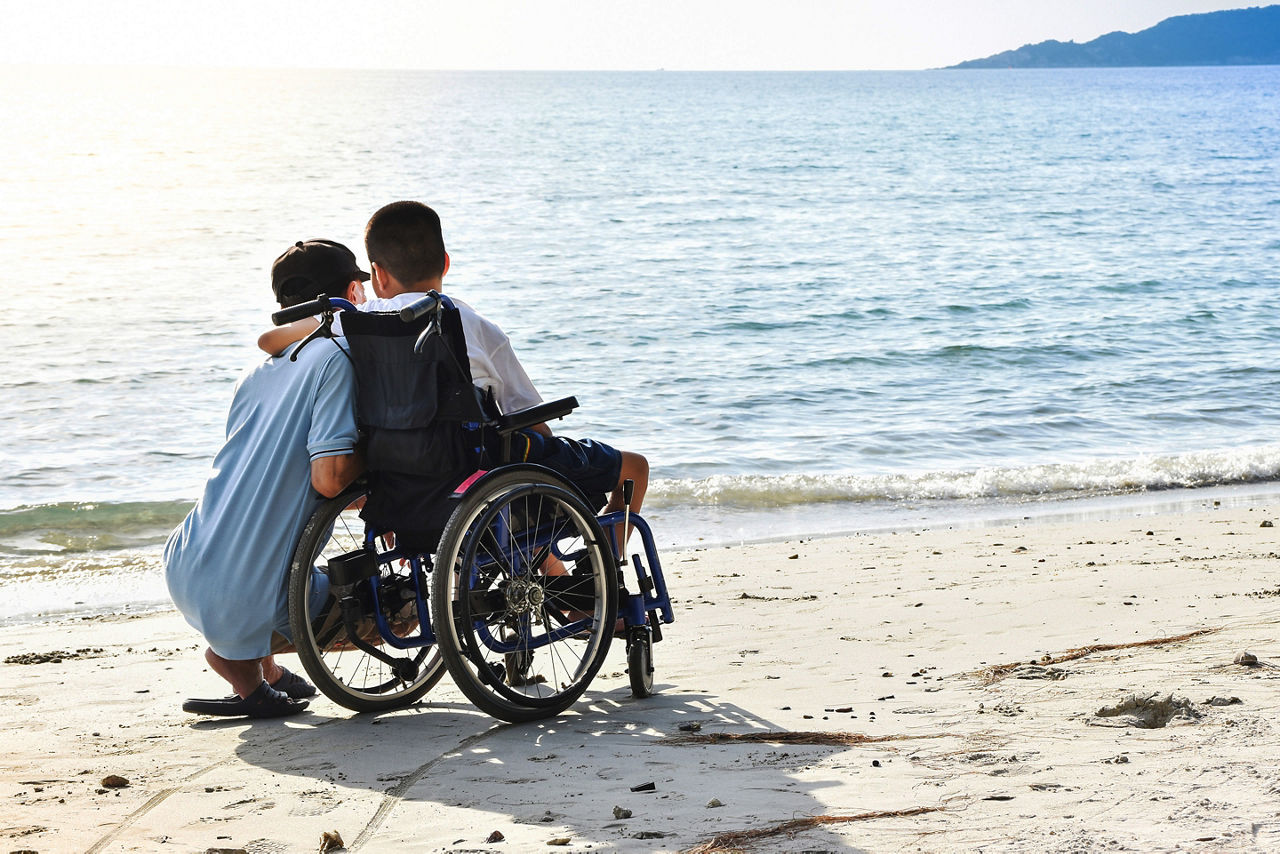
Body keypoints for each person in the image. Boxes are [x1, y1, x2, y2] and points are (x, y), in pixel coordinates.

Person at [259, 202, 649, 527]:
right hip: (470, 472)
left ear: (377, 274)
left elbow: (269, 340)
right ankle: (604, 586)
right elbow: (533, 421)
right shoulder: (474, 325)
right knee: (633, 467)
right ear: (446, 262)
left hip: (395, 480)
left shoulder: (358, 321)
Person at [165, 240, 367, 718]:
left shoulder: (256, 370)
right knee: (386, 601)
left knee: (260, 540)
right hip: (243, 592)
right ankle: (244, 667)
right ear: (354, 291)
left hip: (185, 563)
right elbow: (331, 477)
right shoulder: (336, 357)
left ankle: (254, 669)